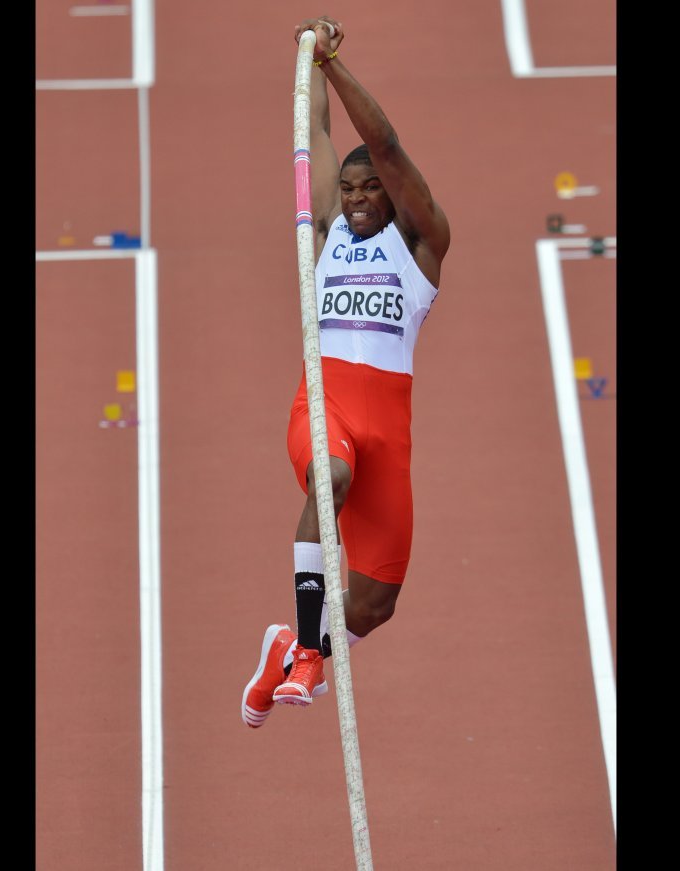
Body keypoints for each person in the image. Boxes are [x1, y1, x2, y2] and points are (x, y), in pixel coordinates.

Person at [242, 14, 450, 728]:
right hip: (326, 400)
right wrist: (308, 62)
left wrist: (335, 66)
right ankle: (305, 650)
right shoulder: (326, 235)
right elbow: (316, 135)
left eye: (369, 189)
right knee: (328, 479)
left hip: (390, 426)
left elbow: (385, 146)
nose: (358, 197)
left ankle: (288, 650)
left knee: (374, 603)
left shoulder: (420, 248)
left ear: (390, 197)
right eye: (351, 189)